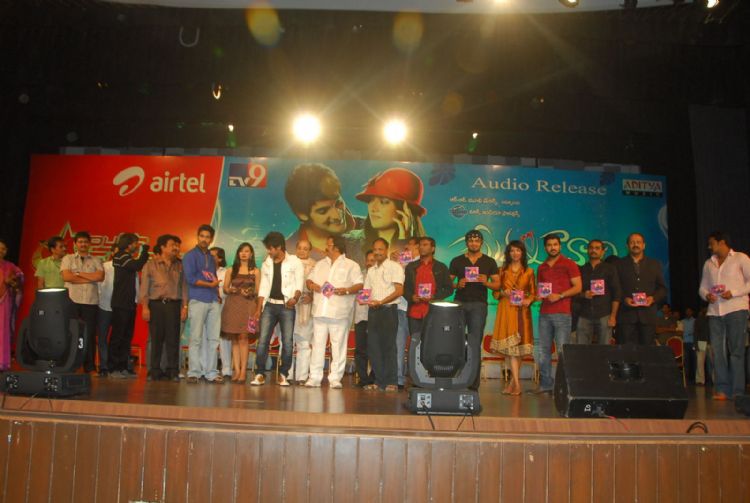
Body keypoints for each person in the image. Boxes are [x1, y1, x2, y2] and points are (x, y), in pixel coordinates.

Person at [698, 231, 750, 400]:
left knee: (736, 351)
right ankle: (722, 389)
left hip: (736, 310)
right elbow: (702, 288)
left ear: (722, 243)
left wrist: (733, 292)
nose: (709, 246)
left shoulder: (741, 258)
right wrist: (707, 295)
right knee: (717, 352)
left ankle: (737, 391)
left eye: (711, 243)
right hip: (715, 312)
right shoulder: (709, 263)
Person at [305, 236, 363, 388]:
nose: (326, 248)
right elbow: (309, 280)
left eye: (329, 245)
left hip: (339, 312)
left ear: (337, 247)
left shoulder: (351, 265)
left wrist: (346, 290)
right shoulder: (320, 264)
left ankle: (335, 378)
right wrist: (312, 286)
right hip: (320, 310)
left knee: (338, 346)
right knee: (317, 345)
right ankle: (314, 377)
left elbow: (359, 284)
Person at [251, 231, 305, 386]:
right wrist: (258, 308)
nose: (268, 251)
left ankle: (283, 374)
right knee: (263, 340)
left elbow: (299, 284)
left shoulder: (294, 261)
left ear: (279, 247)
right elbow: (263, 287)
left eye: (270, 248)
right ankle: (259, 374)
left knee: (287, 342)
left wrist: (295, 298)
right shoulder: (267, 263)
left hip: (286, 305)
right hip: (269, 305)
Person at [448, 229, 500, 390]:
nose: (474, 243)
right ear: (466, 243)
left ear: (481, 243)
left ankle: (472, 383)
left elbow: (498, 284)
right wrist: (457, 284)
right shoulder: (457, 261)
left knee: (475, 342)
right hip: (459, 304)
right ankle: (455, 377)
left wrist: (486, 282)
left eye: (477, 241)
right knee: (455, 341)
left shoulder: (489, 262)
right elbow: (448, 283)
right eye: (471, 241)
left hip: (479, 305)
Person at [531, 233, 582, 395]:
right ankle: (546, 384)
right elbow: (541, 289)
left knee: (562, 351)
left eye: (555, 244)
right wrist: (538, 296)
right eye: (549, 245)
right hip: (544, 313)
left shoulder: (569, 264)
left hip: (562, 313)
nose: (552, 247)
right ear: (545, 248)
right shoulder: (542, 267)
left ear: (560, 246)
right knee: (543, 351)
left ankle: (563, 386)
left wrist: (560, 295)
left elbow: (578, 287)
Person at [284, 163, 362, 262]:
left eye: (338, 203)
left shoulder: (369, 227)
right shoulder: (288, 252)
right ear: (302, 215)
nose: (337, 216)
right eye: (323, 211)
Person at [490, 240, 536, 396]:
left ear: (522, 253)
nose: (515, 253)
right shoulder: (501, 271)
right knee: (510, 351)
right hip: (506, 309)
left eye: (518, 250)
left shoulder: (529, 271)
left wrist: (529, 300)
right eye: (512, 250)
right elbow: (495, 292)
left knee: (518, 350)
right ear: (508, 253)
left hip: (522, 311)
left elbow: (533, 293)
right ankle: (516, 384)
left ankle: (513, 384)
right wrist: (503, 293)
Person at [351, 167, 427, 259]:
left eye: (384, 202)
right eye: (371, 200)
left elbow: (403, 266)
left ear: (404, 210)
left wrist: (403, 239)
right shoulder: (350, 243)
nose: (373, 208)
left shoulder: (420, 249)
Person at [140, 234, 188, 381]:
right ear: (162, 247)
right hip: (156, 305)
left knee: (173, 339)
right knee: (156, 339)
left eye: (177, 246)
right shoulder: (150, 265)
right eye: (173, 245)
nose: (176, 248)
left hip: (174, 305)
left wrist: (185, 307)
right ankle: (154, 370)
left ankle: (172, 371)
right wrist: (145, 307)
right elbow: (144, 288)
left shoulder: (180, 265)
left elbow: (184, 288)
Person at [183, 224, 223, 384]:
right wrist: (210, 285)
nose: (204, 239)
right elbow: (190, 279)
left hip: (213, 300)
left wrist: (217, 293)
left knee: (213, 339)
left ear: (211, 239)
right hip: (197, 299)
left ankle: (211, 372)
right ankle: (194, 372)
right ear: (197, 236)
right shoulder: (190, 256)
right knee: (196, 338)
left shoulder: (212, 258)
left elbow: (212, 276)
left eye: (207, 237)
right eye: (202, 236)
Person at [362, 238, 404, 392]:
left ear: (386, 250)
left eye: (380, 249)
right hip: (373, 311)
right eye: (375, 249)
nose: (377, 252)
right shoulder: (371, 270)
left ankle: (392, 381)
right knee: (373, 347)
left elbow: (399, 291)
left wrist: (381, 301)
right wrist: (363, 300)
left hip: (388, 310)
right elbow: (366, 292)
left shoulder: (395, 267)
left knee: (388, 346)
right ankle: (379, 381)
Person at [61, 231, 104, 373]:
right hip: (72, 301)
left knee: (89, 334)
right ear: (75, 244)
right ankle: (68, 364)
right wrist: (89, 278)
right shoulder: (68, 258)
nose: (83, 244)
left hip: (90, 302)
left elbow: (99, 277)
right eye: (80, 242)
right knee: (70, 332)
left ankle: (89, 366)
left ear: (89, 244)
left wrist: (78, 274)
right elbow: (67, 277)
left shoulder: (96, 260)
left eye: (85, 242)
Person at [108, 233, 150, 379]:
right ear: (128, 244)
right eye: (135, 243)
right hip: (120, 303)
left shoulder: (127, 257)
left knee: (127, 337)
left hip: (130, 302)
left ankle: (124, 367)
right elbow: (137, 265)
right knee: (118, 336)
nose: (136, 246)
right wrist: (145, 251)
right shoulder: (120, 255)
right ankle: (112, 368)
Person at [615, 233, 667, 345]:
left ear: (644, 245)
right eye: (632, 242)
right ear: (627, 246)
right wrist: (624, 299)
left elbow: (662, 289)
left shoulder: (654, 264)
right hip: (626, 316)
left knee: (647, 352)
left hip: (648, 316)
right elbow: (615, 288)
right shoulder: (618, 264)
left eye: (638, 242)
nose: (635, 245)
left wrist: (653, 298)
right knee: (626, 351)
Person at [220, 243, 259, 383]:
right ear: (238, 254)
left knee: (244, 338)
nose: (244, 253)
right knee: (235, 339)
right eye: (241, 251)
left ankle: (243, 371)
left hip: (248, 306)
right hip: (232, 305)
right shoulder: (231, 270)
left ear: (251, 254)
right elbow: (225, 288)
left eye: (247, 251)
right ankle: (236, 370)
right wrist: (231, 290)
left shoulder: (256, 271)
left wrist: (249, 291)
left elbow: (257, 291)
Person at [403, 236, 453, 345]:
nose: (421, 247)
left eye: (425, 245)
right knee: (415, 343)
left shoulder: (441, 267)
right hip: (414, 312)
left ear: (433, 248)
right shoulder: (410, 267)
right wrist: (411, 297)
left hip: (434, 312)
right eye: (420, 245)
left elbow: (449, 289)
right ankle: (414, 357)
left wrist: (434, 297)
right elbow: (405, 289)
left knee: (432, 343)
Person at [576, 239, 621, 345]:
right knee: (581, 349)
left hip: (604, 314)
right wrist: (584, 294)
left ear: (603, 251)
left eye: (597, 248)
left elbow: (617, 293)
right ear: (587, 250)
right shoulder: (581, 269)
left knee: (605, 349)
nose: (594, 250)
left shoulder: (610, 269)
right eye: (591, 248)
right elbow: (574, 292)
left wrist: (613, 316)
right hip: (584, 314)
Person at [292, 239, 316, 384]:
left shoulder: (315, 266)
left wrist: (312, 296)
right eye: (299, 248)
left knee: (304, 343)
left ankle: (302, 376)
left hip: (307, 308)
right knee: (287, 341)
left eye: (305, 249)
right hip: (289, 306)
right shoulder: (289, 263)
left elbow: (319, 286)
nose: (302, 251)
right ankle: (286, 375)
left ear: (309, 251)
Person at [353, 250, 376, 387]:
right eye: (368, 260)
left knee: (375, 349)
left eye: (373, 260)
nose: (370, 263)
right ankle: (363, 379)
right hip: (360, 316)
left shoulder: (381, 276)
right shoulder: (359, 276)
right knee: (360, 350)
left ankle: (374, 378)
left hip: (375, 316)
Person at [0, 239, 23, 371]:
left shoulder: (10, 266)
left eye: (3, 249)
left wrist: (13, 280)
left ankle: (2, 362)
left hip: (4, 302)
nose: (1, 251)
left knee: (2, 331)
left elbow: (20, 277)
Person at [210, 246, 232, 380]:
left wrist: (218, 294)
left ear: (220, 258)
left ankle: (227, 369)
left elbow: (227, 290)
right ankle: (209, 368)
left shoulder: (225, 272)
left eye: (213, 255)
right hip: (208, 307)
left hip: (223, 307)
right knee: (209, 338)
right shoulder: (204, 272)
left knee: (224, 339)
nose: (210, 258)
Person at [95, 245, 116, 377]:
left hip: (121, 308)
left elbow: (135, 286)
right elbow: (98, 285)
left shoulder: (129, 267)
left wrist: (135, 301)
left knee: (117, 338)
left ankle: (115, 365)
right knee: (102, 337)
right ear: (112, 252)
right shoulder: (104, 266)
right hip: (104, 306)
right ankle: (103, 366)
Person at [681, 307, 696, 384]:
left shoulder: (695, 321)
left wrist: (687, 333)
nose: (688, 313)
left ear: (692, 312)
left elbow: (695, 332)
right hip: (684, 343)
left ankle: (694, 378)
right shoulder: (682, 321)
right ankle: (686, 378)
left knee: (694, 360)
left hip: (693, 343)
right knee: (686, 361)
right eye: (687, 311)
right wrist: (688, 333)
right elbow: (680, 332)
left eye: (689, 311)